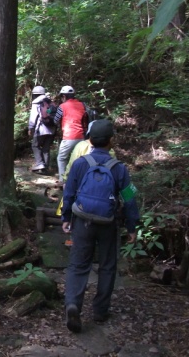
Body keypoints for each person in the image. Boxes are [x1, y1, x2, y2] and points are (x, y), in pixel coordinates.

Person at [62, 119, 139, 333]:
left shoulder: (80, 163)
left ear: (90, 140)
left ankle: (73, 305)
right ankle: (100, 311)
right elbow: (130, 199)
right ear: (111, 141)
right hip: (108, 223)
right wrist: (132, 226)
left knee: (78, 265)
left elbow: (69, 192)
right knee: (107, 266)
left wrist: (66, 218)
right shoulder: (119, 168)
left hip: (82, 221)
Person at [54, 85, 88, 184]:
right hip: (82, 136)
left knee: (61, 158)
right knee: (79, 159)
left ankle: (63, 181)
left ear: (64, 96)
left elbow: (55, 120)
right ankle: (80, 180)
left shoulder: (62, 106)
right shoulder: (83, 105)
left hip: (69, 136)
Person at [28, 86, 55, 174]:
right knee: (46, 149)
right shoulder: (50, 101)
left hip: (41, 129)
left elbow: (33, 116)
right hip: (51, 130)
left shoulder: (36, 102)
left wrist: (30, 128)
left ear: (35, 94)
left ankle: (40, 164)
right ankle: (45, 168)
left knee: (35, 146)